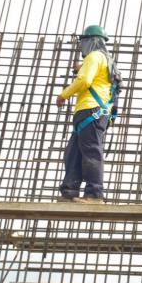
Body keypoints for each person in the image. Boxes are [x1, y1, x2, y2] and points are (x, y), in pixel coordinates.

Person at [56, 25, 122, 203]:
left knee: (91, 152)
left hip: (91, 110)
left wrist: (64, 94)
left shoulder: (94, 56)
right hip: (92, 113)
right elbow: (99, 77)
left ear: (90, 41)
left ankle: (94, 194)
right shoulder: (106, 59)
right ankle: (69, 191)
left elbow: (85, 80)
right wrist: (81, 67)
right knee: (73, 152)